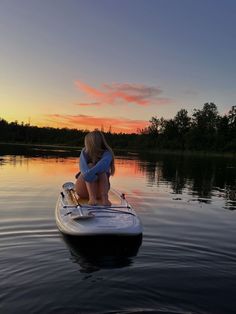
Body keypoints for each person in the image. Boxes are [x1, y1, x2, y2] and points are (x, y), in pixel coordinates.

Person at [75, 130, 115, 206]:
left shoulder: (107, 153)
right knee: (90, 166)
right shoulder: (84, 152)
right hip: (83, 190)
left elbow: (102, 166)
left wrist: (93, 173)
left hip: (100, 192)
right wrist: (92, 174)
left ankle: (105, 199)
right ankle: (92, 197)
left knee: (101, 171)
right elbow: (84, 171)